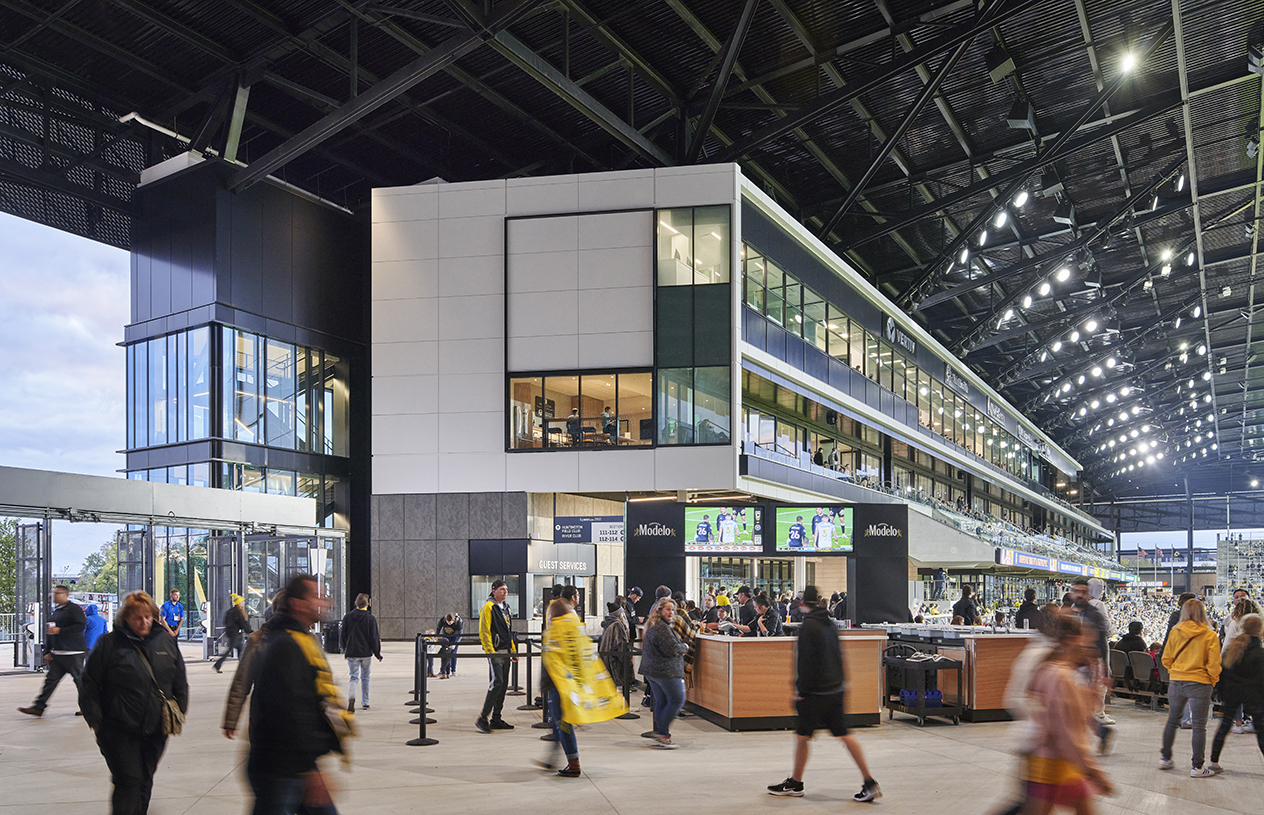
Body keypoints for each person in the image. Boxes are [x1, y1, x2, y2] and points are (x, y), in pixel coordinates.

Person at [247, 574, 353, 815]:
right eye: (318, 597)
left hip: (292, 764)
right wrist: (309, 771)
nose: (326, 603)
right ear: (297, 603)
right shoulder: (285, 645)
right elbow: (289, 712)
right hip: (280, 767)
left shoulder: (302, 639)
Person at [80, 590, 189, 815]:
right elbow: (89, 683)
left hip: (156, 729)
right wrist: (96, 721)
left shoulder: (166, 642)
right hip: (118, 728)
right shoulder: (109, 644)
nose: (144, 621)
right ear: (126, 617)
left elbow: (180, 682)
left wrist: (178, 713)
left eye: (148, 616)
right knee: (128, 780)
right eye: (138, 617)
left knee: (144, 781)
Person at [768, 586, 881, 802]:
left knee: (802, 735)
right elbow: (838, 655)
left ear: (802, 603)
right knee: (844, 734)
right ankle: (869, 781)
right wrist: (841, 683)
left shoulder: (808, 627)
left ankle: (796, 782)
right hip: (835, 688)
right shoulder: (830, 623)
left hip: (814, 692)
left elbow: (805, 662)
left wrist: (800, 691)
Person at [1020, 614, 1113, 813]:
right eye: (1086, 642)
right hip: (1055, 762)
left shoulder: (1050, 670)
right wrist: (1092, 771)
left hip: (1053, 761)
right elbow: (1066, 730)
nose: (1090, 649)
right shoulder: (1062, 677)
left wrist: (1094, 693)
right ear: (1072, 640)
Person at [1159, 598, 1222, 776]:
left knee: (1172, 720)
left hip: (1177, 680)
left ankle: (1165, 758)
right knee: (1199, 726)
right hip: (1200, 682)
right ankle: (1197, 767)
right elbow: (1214, 664)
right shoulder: (1210, 635)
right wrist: (1212, 679)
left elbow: (1166, 658)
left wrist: (1176, 671)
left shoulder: (1175, 631)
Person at [18, 584, 87, 717]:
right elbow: (50, 632)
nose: (55, 596)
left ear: (66, 595)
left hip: (73, 653)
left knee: (80, 682)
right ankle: (38, 707)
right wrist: (48, 651)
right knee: (50, 681)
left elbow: (80, 626)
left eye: (58, 593)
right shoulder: (56, 612)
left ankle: (87, 708)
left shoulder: (74, 609)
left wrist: (60, 630)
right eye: (54, 593)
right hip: (58, 653)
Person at [223, 591, 285, 739]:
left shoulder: (307, 640)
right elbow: (242, 680)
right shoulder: (258, 640)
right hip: (265, 714)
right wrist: (231, 718)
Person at [1209, 613, 1264, 773]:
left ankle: (1214, 761)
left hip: (1232, 694)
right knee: (1261, 730)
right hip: (1254, 696)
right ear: (1259, 630)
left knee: (1224, 726)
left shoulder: (1233, 648)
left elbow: (1223, 673)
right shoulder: (1259, 653)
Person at [641, 598, 688, 748]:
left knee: (661, 701)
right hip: (665, 671)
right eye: (668, 609)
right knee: (677, 700)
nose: (671, 613)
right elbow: (672, 648)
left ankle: (661, 732)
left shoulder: (654, 625)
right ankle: (662, 733)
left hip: (653, 671)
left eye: (672, 610)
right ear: (659, 610)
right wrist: (685, 647)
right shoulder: (661, 627)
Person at [1070, 579, 1114, 727]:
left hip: (1086, 659)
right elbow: (1106, 629)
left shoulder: (1087, 611)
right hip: (1082, 659)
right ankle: (1096, 715)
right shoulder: (1096, 607)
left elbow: (1100, 638)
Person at [476, 579, 516, 733]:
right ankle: (483, 718)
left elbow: (508, 630)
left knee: (504, 684)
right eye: (501, 589)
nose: (505, 592)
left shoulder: (506, 608)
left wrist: (512, 649)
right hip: (495, 651)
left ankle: (496, 719)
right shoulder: (488, 607)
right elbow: (484, 630)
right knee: (497, 682)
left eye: (506, 589)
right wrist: (489, 651)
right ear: (494, 591)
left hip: (506, 651)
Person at [340, 593, 382, 709]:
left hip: (352, 652)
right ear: (367, 604)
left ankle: (352, 697)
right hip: (365, 654)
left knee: (353, 677)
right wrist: (377, 653)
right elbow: (374, 637)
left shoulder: (347, 617)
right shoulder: (370, 619)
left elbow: (342, 635)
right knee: (365, 678)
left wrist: (344, 649)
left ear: (356, 603)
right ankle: (365, 702)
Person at [214, 594, 253, 674]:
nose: (244, 603)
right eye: (242, 601)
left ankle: (241, 667)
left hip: (232, 633)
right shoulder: (238, 612)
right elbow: (242, 623)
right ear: (239, 603)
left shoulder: (230, 611)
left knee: (239, 650)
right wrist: (250, 631)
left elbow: (226, 622)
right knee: (237, 651)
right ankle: (219, 664)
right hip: (235, 634)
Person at [598, 598, 630, 689]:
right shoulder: (617, 625)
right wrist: (626, 663)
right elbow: (621, 645)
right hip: (614, 661)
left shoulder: (608, 624)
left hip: (606, 659)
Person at [434, 612, 463, 679]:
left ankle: (453, 670)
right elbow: (438, 627)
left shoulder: (458, 622)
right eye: (447, 622)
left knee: (453, 653)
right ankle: (442, 670)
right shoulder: (443, 619)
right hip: (446, 636)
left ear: (453, 620)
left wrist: (455, 644)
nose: (448, 623)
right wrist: (436, 635)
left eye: (450, 622)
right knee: (444, 653)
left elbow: (460, 634)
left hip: (454, 637)